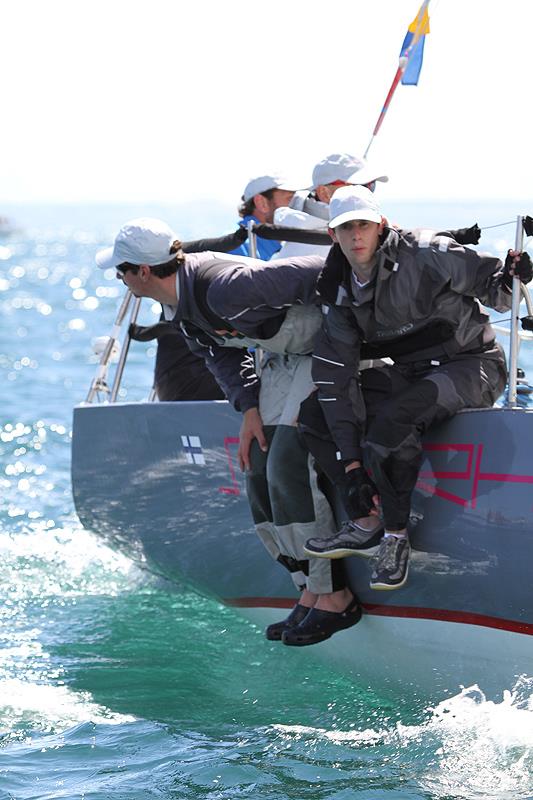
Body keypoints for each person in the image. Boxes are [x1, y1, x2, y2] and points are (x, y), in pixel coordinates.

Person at [95, 218, 353, 641]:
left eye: (122, 270)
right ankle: (307, 589)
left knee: (288, 456)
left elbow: (321, 271)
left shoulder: (227, 285)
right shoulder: (175, 304)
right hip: (284, 356)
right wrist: (248, 407)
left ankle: (334, 596)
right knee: (258, 466)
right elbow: (218, 353)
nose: (120, 279)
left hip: (326, 348)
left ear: (143, 271)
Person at [295, 186, 531, 618]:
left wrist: (516, 276)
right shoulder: (337, 291)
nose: (355, 236)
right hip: (412, 373)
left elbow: (500, 292)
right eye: (345, 228)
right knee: (313, 413)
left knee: (392, 424)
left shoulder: (427, 251)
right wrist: (350, 469)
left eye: (363, 224)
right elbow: (336, 379)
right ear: (333, 236)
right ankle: (364, 521)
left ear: (381, 225)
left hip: (472, 363)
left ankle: (395, 536)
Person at [274, 153, 388, 259]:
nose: (366, 194)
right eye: (360, 187)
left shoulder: (299, 230)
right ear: (324, 193)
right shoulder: (326, 249)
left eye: (371, 186)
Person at [229, 174, 297, 259]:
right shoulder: (233, 246)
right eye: (290, 199)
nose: (298, 205)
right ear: (262, 203)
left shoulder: (288, 245)